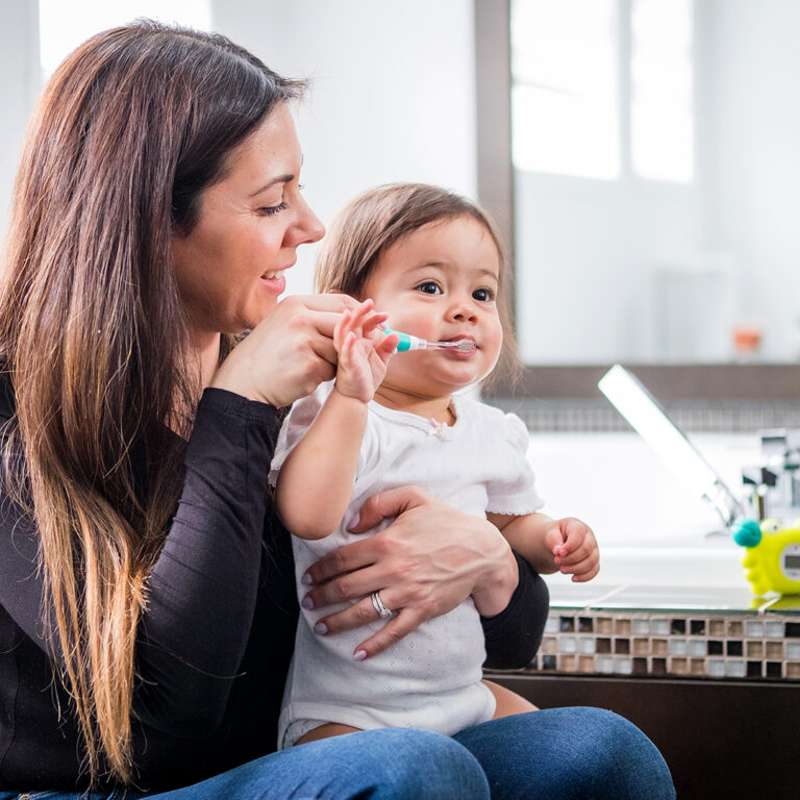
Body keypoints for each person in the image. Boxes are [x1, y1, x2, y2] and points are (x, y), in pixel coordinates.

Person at [0, 20, 675, 800]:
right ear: (152, 218)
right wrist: (239, 405)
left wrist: (487, 557)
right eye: (271, 202)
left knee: (602, 754)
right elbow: (170, 708)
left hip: (285, 766)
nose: (312, 226)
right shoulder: (25, 406)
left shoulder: (306, 376)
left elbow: (512, 635)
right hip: (106, 788)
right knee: (414, 769)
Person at [270, 183, 602, 749]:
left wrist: (556, 538)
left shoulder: (490, 432)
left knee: (595, 750)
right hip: (348, 710)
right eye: (430, 287)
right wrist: (351, 394)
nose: (464, 309)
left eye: (483, 293)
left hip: (463, 697)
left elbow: (508, 526)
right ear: (353, 310)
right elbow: (306, 513)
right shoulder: (339, 415)